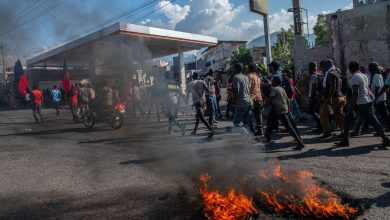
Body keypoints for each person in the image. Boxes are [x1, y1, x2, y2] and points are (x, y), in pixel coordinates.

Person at [336, 61, 390, 148]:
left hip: (361, 102)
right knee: (374, 120)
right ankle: (385, 138)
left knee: (348, 119)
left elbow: (355, 93)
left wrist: (351, 107)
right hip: (368, 100)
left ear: (350, 68)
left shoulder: (354, 77)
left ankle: (345, 140)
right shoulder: (363, 75)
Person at [264, 76, 305, 150]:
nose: (271, 82)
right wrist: (288, 109)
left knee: (289, 127)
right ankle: (267, 138)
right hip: (281, 109)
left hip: (279, 110)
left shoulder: (274, 89)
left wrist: (263, 105)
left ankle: (300, 143)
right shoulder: (282, 88)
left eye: (272, 81)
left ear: (275, 82)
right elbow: (287, 100)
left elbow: (270, 100)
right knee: (270, 122)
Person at [319, 59, 345, 140]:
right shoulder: (336, 72)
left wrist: (329, 98)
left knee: (323, 115)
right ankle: (344, 132)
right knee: (338, 116)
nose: (323, 67)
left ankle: (327, 133)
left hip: (333, 98)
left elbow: (332, 87)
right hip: (340, 97)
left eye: (324, 65)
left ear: (328, 65)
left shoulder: (330, 73)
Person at [186, 72, 214, 136]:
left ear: (193, 77)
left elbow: (187, 95)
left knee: (201, 117)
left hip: (196, 102)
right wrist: (209, 84)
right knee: (198, 117)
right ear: (198, 76)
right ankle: (194, 131)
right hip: (202, 101)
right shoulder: (202, 82)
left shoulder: (190, 84)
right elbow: (208, 90)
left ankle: (211, 130)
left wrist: (186, 102)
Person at [369, 62, 390, 130]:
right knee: (383, 113)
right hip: (379, 97)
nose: (369, 69)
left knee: (382, 113)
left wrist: (376, 98)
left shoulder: (376, 75)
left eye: (370, 68)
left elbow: (377, 87)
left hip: (379, 97)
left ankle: (379, 129)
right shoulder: (377, 75)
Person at [247, 63, 267, 136]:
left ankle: (252, 129)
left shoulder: (249, 76)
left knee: (248, 114)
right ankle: (260, 130)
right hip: (259, 97)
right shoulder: (257, 76)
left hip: (253, 98)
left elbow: (248, 87)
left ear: (249, 68)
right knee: (258, 115)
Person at [232, 63, 253, 128]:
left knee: (236, 123)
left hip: (241, 103)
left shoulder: (236, 77)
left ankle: (245, 135)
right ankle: (247, 136)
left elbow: (237, 91)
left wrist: (233, 101)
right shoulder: (246, 77)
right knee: (246, 123)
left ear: (235, 69)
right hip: (249, 102)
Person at [308, 62, 322, 133]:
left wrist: (311, 98)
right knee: (316, 111)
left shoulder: (313, 76)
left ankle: (321, 125)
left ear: (311, 68)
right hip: (318, 96)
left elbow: (313, 88)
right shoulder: (318, 74)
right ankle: (319, 127)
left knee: (312, 111)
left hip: (314, 97)